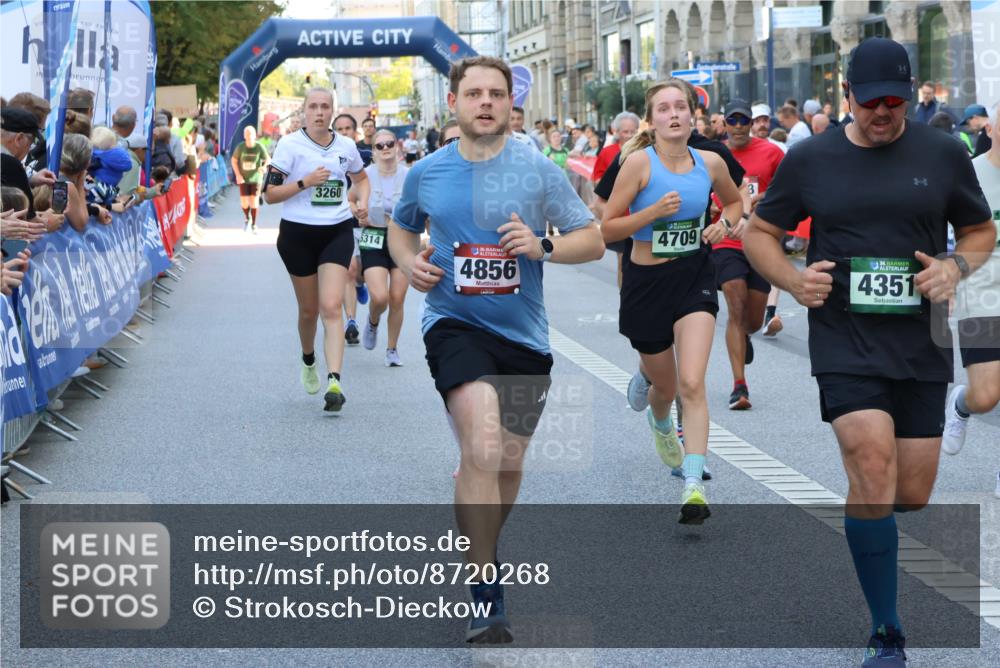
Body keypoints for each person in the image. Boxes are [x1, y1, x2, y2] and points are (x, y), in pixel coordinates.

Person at [743, 37, 996, 667]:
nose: (884, 113)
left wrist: (954, 268)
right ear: (847, 94)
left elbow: (979, 229)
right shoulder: (812, 159)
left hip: (921, 338)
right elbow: (761, 233)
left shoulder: (942, 151)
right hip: (844, 337)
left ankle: (875, 524)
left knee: (910, 493)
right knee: (871, 463)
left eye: (896, 102)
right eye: (873, 102)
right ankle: (887, 630)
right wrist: (793, 280)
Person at [388, 56, 603, 644]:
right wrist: (409, 263)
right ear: (453, 103)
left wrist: (544, 244)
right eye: (474, 93)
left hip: (524, 337)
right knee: (483, 445)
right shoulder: (427, 172)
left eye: (497, 94)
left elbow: (592, 239)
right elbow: (401, 228)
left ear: (511, 104)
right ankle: (485, 588)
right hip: (454, 325)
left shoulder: (536, 170)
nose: (486, 102)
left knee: (506, 463)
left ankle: (481, 536)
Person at [602, 79, 742, 524]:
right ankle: (660, 421)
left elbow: (737, 204)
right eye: (664, 109)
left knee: (693, 383)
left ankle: (694, 484)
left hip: (694, 277)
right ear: (653, 120)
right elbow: (607, 229)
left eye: (681, 106)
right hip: (645, 284)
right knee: (665, 389)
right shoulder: (638, 164)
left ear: (693, 116)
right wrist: (651, 213)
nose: (674, 114)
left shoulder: (712, 162)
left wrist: (726, 225)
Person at [263, 88, 370, 412]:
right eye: (314, 107)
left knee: (331, 306)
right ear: (304, 112)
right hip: (297, 234)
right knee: (309, 310)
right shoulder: (289, 145)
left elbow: (361, 179)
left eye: (325, 107)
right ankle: (309, 358)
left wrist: (361, 202)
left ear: (333, 111)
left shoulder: (346, 146)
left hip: (336, 231)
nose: (320, 112)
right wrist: (304, 182)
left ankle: (334, 381)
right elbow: (269, 194)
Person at [941, 101, 1000, 500]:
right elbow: (942, 233)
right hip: (980, 294)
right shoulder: (971, 175)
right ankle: (961, 403)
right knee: (987, 395)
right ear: (991, 128)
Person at [711, 99, 784, 410]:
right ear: (724, 124)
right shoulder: (713, 156)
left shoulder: (771, 153)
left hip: (760, 240)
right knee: (735, 304)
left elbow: (787, 188)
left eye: (744, 120)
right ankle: (739, 386)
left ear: (752, 123)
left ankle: (746, 336)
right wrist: (715, 206)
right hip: (725, 240)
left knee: (752, 319)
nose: (739, 126)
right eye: (733, 120)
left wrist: (757, 200)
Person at [359, 129, 409, 366]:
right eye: (380, 145)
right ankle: (372, 320)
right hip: (374, 237)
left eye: (390, 143)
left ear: (397, 146)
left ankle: (392, 349)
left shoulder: (409, 175)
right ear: (374, 151)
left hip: (401, 240)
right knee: (380, 297)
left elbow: (421, 206)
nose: (386, 148)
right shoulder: (365, 175)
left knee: (397, 297)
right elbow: (350, 200)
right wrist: (358, 213)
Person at [333, 113, 370, 345]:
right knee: (350, 268)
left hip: (367, 221)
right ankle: (351, 321)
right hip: (342, 221)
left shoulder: (366, 156)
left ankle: (359, 283)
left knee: (361, 270)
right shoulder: (326, 157)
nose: (345, 132)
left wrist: (363, 205)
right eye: (340, 129)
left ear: (355, 132)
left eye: (348, 128)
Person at [231, 125, 269, 233]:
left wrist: (264, 166)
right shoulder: (241, 147)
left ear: (255, 135)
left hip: (256, 178)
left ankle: (254, 224)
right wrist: (238, 174)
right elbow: (233, 160)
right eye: (247, 134)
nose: (249, 136)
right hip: (243, 178)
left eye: (251, 134)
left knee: (254, 201)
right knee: (244, 202)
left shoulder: (259, 146)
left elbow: (268, 159)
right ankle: (247, 218)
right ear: (244, 135)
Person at [592, 111, 639, 182]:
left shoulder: (645, 150)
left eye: (633, 132)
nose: (630, 136)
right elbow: (597, 177)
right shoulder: (606, 152)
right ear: (617, 132)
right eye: (625, 132)